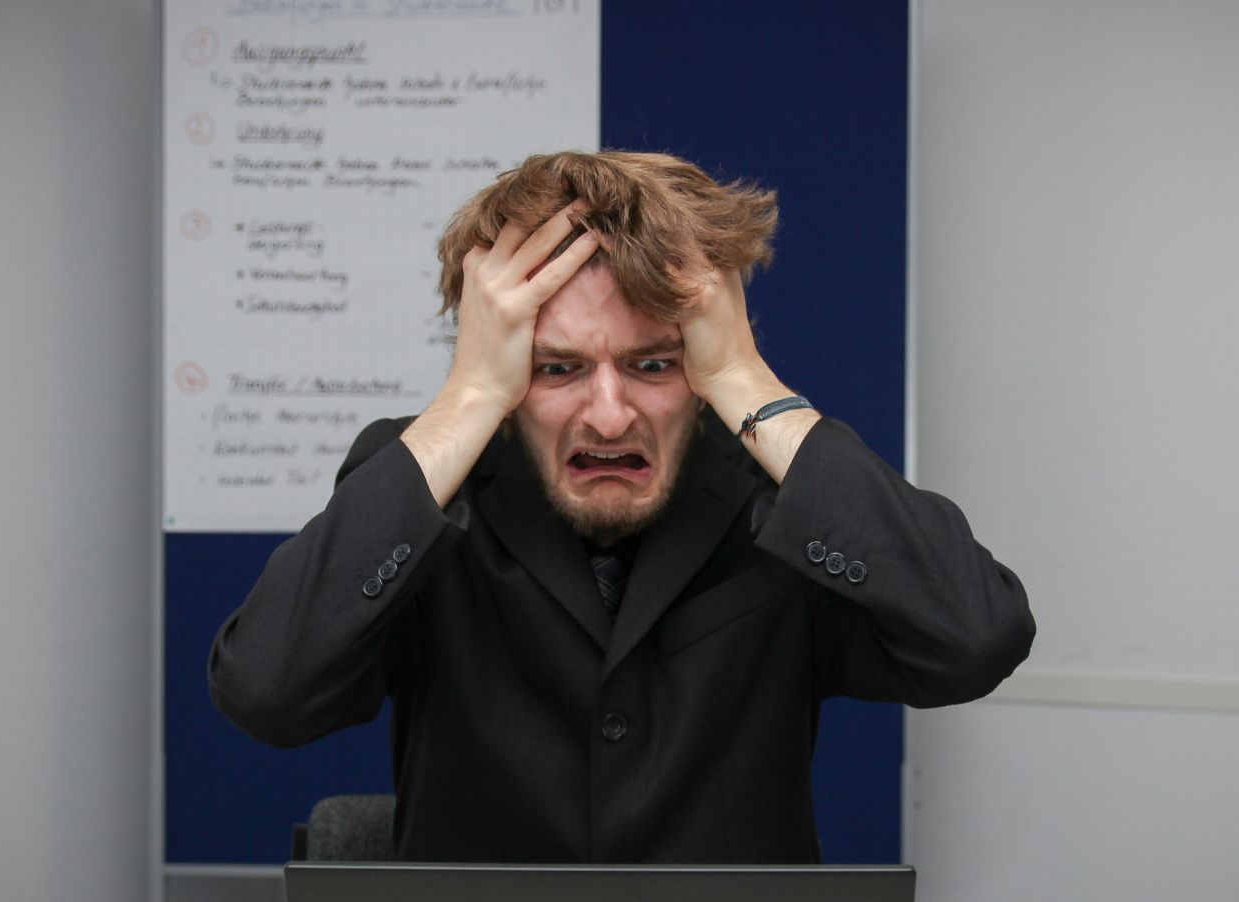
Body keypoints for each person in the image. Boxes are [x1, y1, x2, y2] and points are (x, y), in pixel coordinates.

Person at [209, 150, 1033, 863]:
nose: (607, 415)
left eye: (653, 364)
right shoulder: (431, 491)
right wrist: (469, 398)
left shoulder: (774, 493)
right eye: (557, 369)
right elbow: (267, 689)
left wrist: (745, 383)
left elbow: (973, 637)